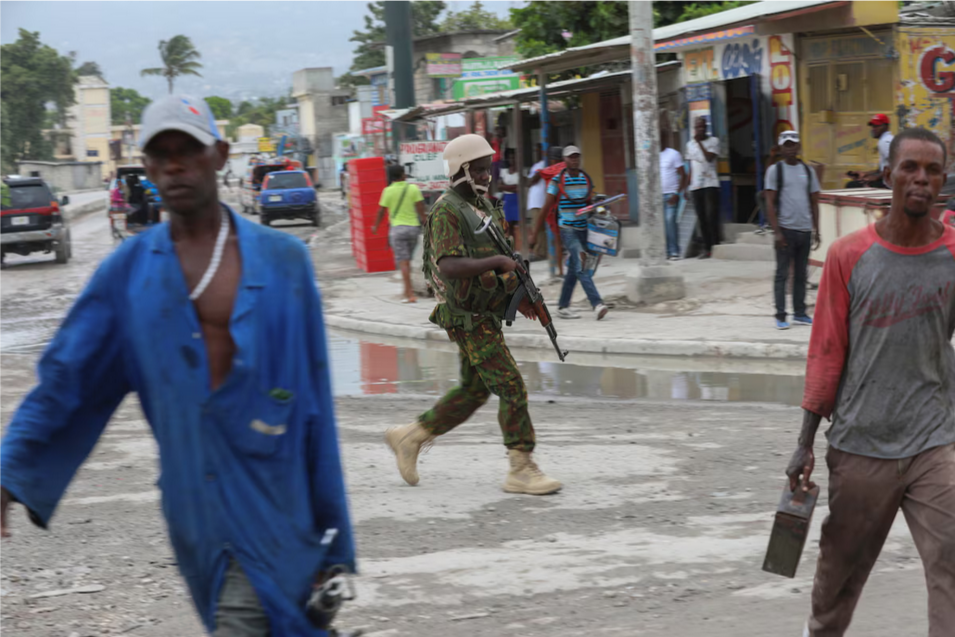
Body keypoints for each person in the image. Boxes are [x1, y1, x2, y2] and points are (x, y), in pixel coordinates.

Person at [0, 95, 355, 636]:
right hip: (196, 507)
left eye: (187, 150)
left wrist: (337, 539)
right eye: (159, 153)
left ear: (218, 154)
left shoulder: (284, 264)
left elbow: (316, 409)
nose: (174, 164)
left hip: (277, 502)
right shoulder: (127, 274)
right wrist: (9, 473)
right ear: (145, 167)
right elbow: (66, 380)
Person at [789, 127, 954, 637]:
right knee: (837, 584)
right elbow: (826, 352)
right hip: (862, 444)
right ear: (888, 177)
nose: (921, 179)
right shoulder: (848, 256)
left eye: (932, 171)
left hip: (935, 441)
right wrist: (804, 444)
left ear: (943, 183)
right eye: (910, 168)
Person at [384, 134, 561, 496]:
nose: (485, 175)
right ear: (460, 170)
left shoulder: (483, 206)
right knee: (511, 385)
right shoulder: (447, 210)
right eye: (477, 169)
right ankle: (521, 467)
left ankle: (410, 437)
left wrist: (519, 294)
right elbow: (449, 265)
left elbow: (502, 262)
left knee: (473, 390)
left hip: (486, 311)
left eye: (487, 168)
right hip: (468, 317)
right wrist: (497, 261)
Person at [533, 146, 609, 321]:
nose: (574, 160)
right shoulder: (557, 182)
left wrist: (601, 209)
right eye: (570, 157)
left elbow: (590, 203)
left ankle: (563, 306)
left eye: (576, 157)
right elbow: (545, 209)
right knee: (581, 263)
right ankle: (597, 303)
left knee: (574, 270)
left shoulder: (585, 179)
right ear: (564, 160)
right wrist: (534, 234)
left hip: (584, 229)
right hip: (567, 229)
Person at [764, 130, 821, 330]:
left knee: (801, 274)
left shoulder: (807, 171)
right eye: (786, 144)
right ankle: (781, 315)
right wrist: (777, 232)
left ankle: (799, 312)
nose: (790, 148)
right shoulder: (774, 171)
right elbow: (769, 202)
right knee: (782, 274)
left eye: (793, 144)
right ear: (780, 147)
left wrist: (817, 229)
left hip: (804, 230)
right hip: (785, 230)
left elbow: (814, 202)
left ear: (798, 147)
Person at [372, 164, 426, 303]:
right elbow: (420, 207)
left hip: (397, 230)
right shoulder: (413, 188)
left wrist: (375, 226)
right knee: (407, 261)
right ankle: (405, 290)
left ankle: (410, 294)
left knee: (404, 262)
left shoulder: (387, 191)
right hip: (413, 229)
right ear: (402, 175)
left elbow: (381, 211)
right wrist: (425, 220)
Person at [686, 116, 722, 259]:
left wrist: (700, 143)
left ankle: (716, 245)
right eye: (697, 127)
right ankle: (707, 249)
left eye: (702, 127)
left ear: (706, 127)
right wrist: (687, 186)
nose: (700, 129)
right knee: (701, 218)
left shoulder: (713, 141)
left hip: (710, 183)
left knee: (711, 215)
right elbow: (691, 166)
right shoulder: (690, 144)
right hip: (696, 185)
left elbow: (709, 158)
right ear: (694, 128)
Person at [845, 114, 894, 189]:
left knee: (851, 185)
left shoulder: (885, 141)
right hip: (886, 181)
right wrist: (865, 174)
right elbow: (881, 169)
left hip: (887, 184)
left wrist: (876, 177)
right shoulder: (887, 139)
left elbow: (896, 164)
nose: (873, 129)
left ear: (886, 127)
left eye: (877, 126)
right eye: (873, 126)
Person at [659, 134, 687, 260]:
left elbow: (683, 175)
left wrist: (677, 193)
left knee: (670, 222)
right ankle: (664, 251)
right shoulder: (651, 155)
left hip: (671, 195)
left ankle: (674, 251)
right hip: (656, 196)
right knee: (661, 225)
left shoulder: (673, 154)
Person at [525, 143, 548, 261]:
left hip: (540, 200)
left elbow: (533, 180)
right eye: (535, 149)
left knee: (538, 227)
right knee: (536, 227)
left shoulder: (544, 163)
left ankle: (540, 252)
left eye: (538, 149)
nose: (536, 152)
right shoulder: (535, 165)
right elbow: (529, 182)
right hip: (534, 201)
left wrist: (529, 180)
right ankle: (540, 250)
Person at [499, 148, 522, 253]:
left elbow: (519, 187)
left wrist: (506, 186)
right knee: (509, 227)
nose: (512, 159)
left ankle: (520, 248)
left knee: (519, 226)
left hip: (517, 199)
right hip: (508, 200)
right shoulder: (504, 171)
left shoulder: (520, 171)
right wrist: (512, 187)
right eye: (510, 157)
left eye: (514, 157)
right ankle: (512, 249)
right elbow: (500, 186)